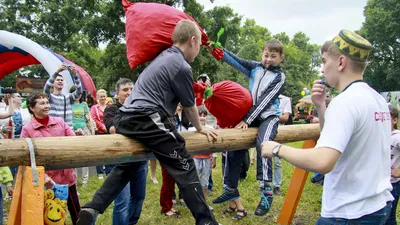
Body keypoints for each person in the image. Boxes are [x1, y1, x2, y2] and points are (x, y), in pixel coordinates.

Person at [77, 20, 219, 225]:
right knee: (185, 164)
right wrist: (200, 127)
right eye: (199, 47)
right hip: (147, 118)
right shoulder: (181, 66)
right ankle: (206, 222)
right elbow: (189, 106)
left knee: (130, 165)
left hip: (126, 117)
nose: (198, 52)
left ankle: (93, 207)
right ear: (193, 40)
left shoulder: (162, 57)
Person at [262, 30, 393, 224]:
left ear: (341, 62)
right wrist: (321, 106)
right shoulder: (377, 99)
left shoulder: (345, 102)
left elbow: (323, 161)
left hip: (348, 213)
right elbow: (333, 140)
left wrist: (276, 148)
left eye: (324, 61)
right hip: (378, 207)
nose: (322, 69)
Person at [208, 39, 285, 216]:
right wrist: (218, 50)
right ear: (262, 54)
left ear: (281, 58)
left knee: (264, 144)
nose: (268, 59)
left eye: (273, 56)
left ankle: (266, 190)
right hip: (250, 116)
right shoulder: (255, 68)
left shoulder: (280, 77)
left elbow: (265, 100)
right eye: (266, 55)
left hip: (268, 116)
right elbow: (236, 60)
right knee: (235, 144)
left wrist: (247, 120)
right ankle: (230, 188)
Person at [20, 92, 81, 225]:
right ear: (32, 108)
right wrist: (44, 177)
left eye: (47, 102)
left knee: (77, 213)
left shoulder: (59, 122)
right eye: (42, 103)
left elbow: (72, 141)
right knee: (54, 218)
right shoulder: (27, 130)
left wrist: (77, 135)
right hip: (48, 182)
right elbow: (26, 158)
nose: (46, 105)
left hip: (67, 178)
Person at [103, 78, 148, 225]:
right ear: (117, 94)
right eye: (125, 90)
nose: (129, 92)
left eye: (131, 89)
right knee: (123, 201)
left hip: (140, 159)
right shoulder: (111, 109)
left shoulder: (142, 107)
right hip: (119, 162)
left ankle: (131, 222)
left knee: (139, 197)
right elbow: (113, 129)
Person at [43, 63, 83, 128]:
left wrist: (75, 75)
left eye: (62, 80)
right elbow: (46, 88)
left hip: (68, 130)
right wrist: (57, 71)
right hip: (54, 130)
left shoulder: (68, 97)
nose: (60, 81)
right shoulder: (49, 97)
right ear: (53, 84)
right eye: (58, 80)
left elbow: (79, 91)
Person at [70, 87, 93, 187]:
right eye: (76, 93)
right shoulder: (69, 104)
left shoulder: (84, 105)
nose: (78, 95)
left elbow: (88, 118)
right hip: (71, 130)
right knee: (72, 156)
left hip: (84, 129)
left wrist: (92, 131)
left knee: (85, 156)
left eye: (79, 93)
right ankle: (73, 180)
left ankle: (85, 181)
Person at [272, 94, 292, 195]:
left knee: (277, 161)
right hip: (265, 131)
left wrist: (269, 116)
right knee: (263, 160)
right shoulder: (264, 96)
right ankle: (263, 185)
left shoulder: (285, 99)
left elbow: (285, 118)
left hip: (280, 132)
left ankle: (276, 186)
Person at [90, 89, 111, 179]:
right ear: (97, 97)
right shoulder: (94, 108)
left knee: (109, 152)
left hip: (109, 132)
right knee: (99, 153)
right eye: (101, 96)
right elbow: (93, 118)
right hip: (99, 132)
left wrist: (109, 127)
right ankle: (100, 173)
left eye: (104, 96)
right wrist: (102, 126)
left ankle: (109, 171)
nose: (102, 98)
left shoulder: (110, 106)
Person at [386, 105, 400, 225]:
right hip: (377, 184)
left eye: (387, 117)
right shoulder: (379, 135)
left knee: (388, 219)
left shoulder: (397, 137)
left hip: (392, 185)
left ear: (395, 120)